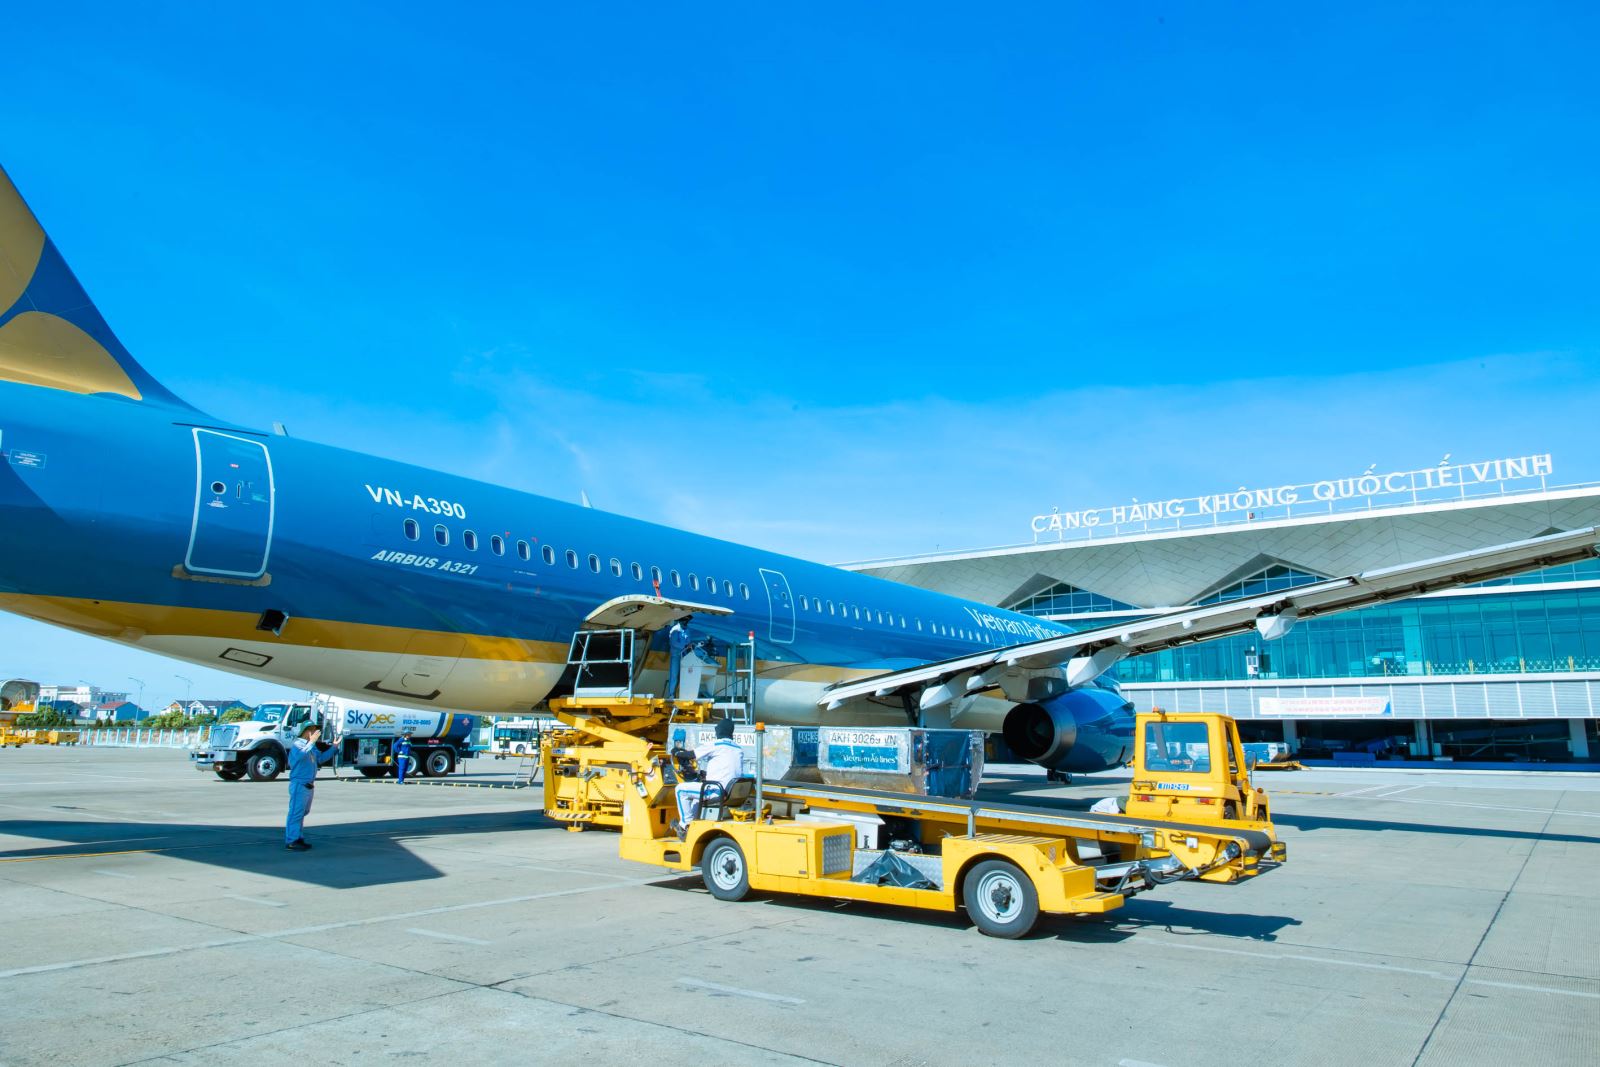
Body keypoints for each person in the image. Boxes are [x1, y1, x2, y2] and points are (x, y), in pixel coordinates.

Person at [673, 718, 743, 836]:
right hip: (730, 793)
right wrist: (705, 774)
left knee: (680, 790)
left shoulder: (716, 745)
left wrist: (676, 753)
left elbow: (691, 755)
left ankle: (685, 826)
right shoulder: (738, 748)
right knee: (696, 799)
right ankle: (693, 827)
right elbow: (725, 768)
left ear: (720, 731)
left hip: (716, 791)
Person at [285, 722, 337, 851]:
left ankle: (298, 837)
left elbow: (320, 759)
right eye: (313, 731)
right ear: (306, 732)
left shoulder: (311, 747)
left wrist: (334, 747)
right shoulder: (297, 745)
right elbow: (301, 756)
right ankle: (292, 840)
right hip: (300, 784)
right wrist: (311, 743)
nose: (316, 734)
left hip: (309, 785)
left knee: (303, 812)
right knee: (296, 813)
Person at [665, 615, 693, 699]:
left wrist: (689, 645)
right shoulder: (675, 630)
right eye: (685, 620)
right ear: (681, 620)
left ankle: (682, 694)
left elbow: (688, 641)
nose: (686, 622)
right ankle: (671, 694)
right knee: (674, 675)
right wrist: (685, 646)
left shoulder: (687, 630)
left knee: (684, 675)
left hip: (684, 656)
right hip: (676, 656)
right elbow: (673, 643)